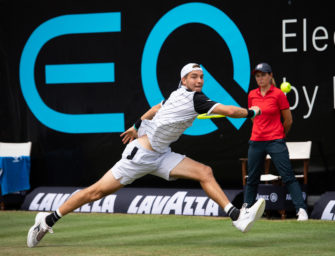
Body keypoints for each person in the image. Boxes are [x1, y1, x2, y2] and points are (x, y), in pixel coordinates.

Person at [27, 63, 265, 248]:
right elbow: (231, 111)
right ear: (184, 80)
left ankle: (236, 217)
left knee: (205, 172)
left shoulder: (176, 95)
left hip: (161, 155)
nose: (199, 80)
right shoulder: (194, 99)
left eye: (201, 77)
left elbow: (155, 108)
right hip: (139, 156)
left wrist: (136, 124)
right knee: (95, 192)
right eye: (194, 77)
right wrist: (251, 112)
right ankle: (47, 220)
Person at [244, 62, 308, 221]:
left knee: (287, 176)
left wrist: (279, 135)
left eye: (263, 75)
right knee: (252, 177)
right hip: (256, 141)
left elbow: (288, 120)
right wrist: (260, 129)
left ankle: (301, 209)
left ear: (270, 75)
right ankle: (246, 209)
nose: (260, 78)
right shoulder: (252, 94)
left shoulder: (279, 94)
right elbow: (253, 117)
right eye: (257, 76)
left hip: (275, 141)